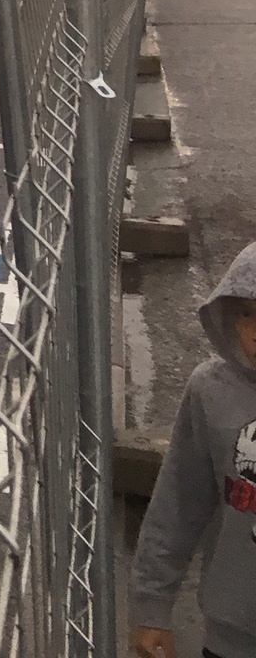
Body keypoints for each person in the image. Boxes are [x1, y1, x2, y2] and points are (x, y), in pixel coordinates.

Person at [130, 241, 256, 658]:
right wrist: (152, 606)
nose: (255, 330)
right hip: (234, 632)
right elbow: (179, 503)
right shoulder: (213, 390)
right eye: (244, 314)